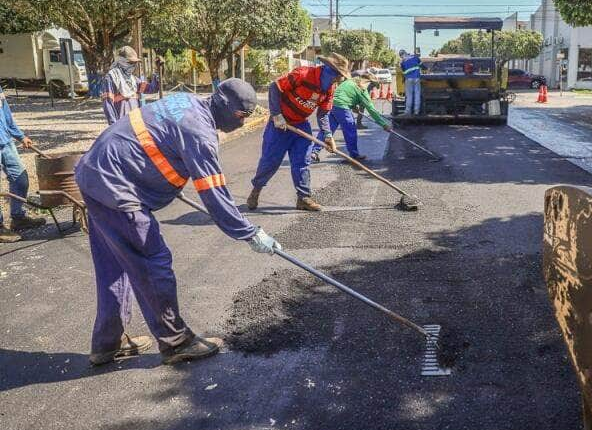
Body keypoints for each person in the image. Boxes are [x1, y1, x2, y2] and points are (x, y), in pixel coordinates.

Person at [75, 79, 282, 366]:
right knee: (152, 262)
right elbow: (215, 195)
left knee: (114, 266)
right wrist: (249, 232)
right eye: (240, 117)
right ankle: (176, 342)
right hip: (117, 189)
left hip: (93, 173)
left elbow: (160, 143)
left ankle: (107, 343)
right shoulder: (199, 133)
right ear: (223, 105)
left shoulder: (187, 102)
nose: (243, 123)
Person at [246, 53, 350, 212]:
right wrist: (276, 115)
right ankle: (256, 190)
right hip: (280, 125)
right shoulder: (303, 74)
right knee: (270, 161)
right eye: (337, 74)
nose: (338, 79)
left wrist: (328, 136)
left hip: (301, 125)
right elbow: (275, 87)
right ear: (327, 69)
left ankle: (303, 198)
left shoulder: (329, 89)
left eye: (340, 76)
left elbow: (323, 114)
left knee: (302, 162)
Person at [310, 73, 390, 163]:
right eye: (372, 86)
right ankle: (354, 155)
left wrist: (353, 107)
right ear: (369, 82)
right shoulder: (361, 89)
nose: (371, 89)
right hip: (342, 107)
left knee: (327, 130)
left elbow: (346, 95)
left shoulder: (349, 81)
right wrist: (384, 124)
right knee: (350, 130)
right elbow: (371, 110)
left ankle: (314, 152)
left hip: (332, 104)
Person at [0, 85, 45, 243]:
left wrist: (20, 136)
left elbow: (5, 114)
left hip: (5, 142)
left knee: (20, 178)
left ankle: (18, 217)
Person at [101, 46, 162, 125]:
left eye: (134, 63)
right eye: (130, 63)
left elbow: (152, 89)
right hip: (121, 124)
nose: (133, 66)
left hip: (136, 123)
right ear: (121, 61)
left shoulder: (134, 80)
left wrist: (158, 71)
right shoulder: (111, 78)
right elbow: (108, 104)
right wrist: (114, 125)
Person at [399, 49, 422, 115]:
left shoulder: (402, 62)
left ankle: (408, 111)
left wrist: (404, 79)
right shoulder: (415, 57)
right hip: (416, 78)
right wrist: (427, 69)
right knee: (417, 95)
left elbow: (404, 73)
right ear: (406, 53)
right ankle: (416, 111)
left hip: (408, 79)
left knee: (409, 96)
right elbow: (422, 65)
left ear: (401, 56)